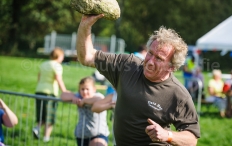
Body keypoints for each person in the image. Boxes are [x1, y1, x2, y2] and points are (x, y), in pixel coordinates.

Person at [76, 14, 200, 146]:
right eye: (150, 53)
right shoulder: (128, 66)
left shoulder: (178, 94)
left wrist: (167, 135)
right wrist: (85, 25)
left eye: (159, 58)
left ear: (172, 67)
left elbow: (192, 139)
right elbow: (87, 57)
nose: (150, 61)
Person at [33, 47, 69, 142]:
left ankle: (37, 128)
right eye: (62, 56)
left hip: (39, 91)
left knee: (41, 114)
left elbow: (39, 76)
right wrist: (64, 91)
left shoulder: (44, 64)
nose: (63, 58)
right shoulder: (57, 66)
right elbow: (58, 79)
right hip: (50, 93)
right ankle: (46, 138)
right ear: (59, 56)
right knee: (50, 116)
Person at [61, 76, 109, 146]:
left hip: (98, 134)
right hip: (81, 135)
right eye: (82, 89)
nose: (85, 91)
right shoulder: (79, 97)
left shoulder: (97, 96)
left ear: (94, 89)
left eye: (87, 89)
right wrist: (73, 97)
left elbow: (100, 99)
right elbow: (63, 95)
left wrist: (84, 101)